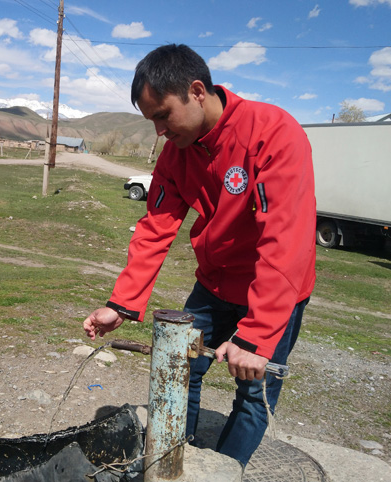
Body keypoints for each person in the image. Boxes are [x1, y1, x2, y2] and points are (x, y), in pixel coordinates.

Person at [83, 44, 316, 466]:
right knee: (178, 370)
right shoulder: (176, 153)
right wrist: (121, 303)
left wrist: (257, 335)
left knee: (253, 392)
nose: (158, 131)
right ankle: (174, 461)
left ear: (196, 91)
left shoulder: (273, 133)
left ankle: (225, 471)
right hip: (213, 283)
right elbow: (155, 227)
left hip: (275, 290)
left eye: (162, 115)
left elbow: (286, 239)